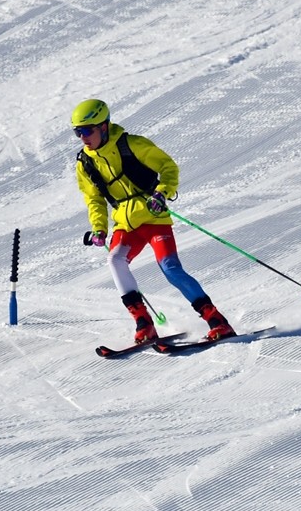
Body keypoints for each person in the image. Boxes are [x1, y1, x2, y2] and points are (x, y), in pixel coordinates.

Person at [71, 98, 235, 345]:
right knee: (115, 260)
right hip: (126, 224)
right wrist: (99, 229)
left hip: (154, 217)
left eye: (87, 130)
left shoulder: (132, 144)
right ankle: (144, 324)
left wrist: (162, 193)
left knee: (171, 269)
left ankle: (217, 321)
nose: (83, 137)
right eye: (77, 132)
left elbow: (168, 167)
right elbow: (93, 199)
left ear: (103, 126)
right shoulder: (85, 162)